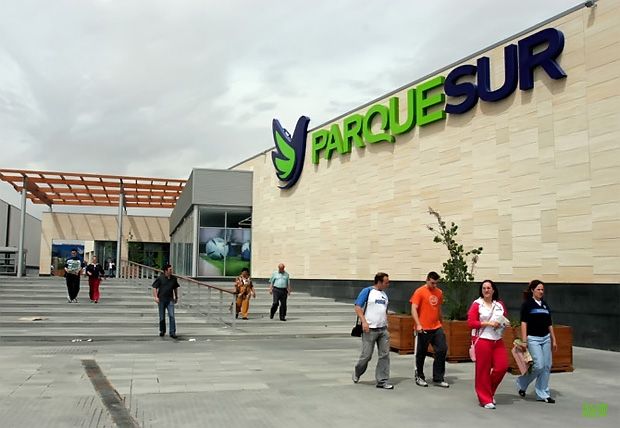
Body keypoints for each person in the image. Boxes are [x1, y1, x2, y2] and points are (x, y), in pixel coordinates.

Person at [467, 280, 510, 409]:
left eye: (488, 288)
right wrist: (488, 323)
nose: (486, 290)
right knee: (483, 371)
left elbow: (505, 319)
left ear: (493, 290)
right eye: (484, 288)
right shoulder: (477, 304)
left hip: (497, 339)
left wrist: (505, 325)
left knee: (502, 367)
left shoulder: (499, 305)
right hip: (482, 340)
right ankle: (485, 399)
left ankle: (488, 392)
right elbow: (471, 323)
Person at [516, 279, 558, 403]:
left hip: (545, 338)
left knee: (547, 366)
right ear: (532, 290)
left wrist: (554, 339)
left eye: (542, 290)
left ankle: (542, 393)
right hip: (533, 338)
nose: (541, 292)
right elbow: (524, 323)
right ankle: (522, 382)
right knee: (539, 365)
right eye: (538, 289)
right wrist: (524, 341)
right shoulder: (527, 305)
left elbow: (549, 323)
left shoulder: (545, 305)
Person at [352, 272, 393, 389]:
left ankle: (382, 381)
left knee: (384, 355)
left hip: (383, 329)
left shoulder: (384, 294)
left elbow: (384, 309)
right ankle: (358, 372)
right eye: (386, 282)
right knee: (366, 355)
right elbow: (357, 307)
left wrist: (386, 321)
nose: (388, 284)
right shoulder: (368, 291)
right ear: (379, 282)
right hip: (370, 329)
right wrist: (364, 322)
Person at [410, 271, 449, 388]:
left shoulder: (439, 292)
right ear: (427, 280)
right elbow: (414, 308)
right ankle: (419, 376)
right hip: (423, 328)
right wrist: (418, 324)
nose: (434, 285)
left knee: (442, 349)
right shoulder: (419, 292)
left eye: (436, 283)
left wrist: (441, 323)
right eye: (432, 283)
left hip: (436, 327)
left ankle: (438, 377)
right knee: (421, 353)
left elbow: (438, 309)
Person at [152, 264, 180, 338]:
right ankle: (162, 330)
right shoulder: (160, 278)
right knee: (162, 316)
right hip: (161, 299)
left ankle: (172, 332)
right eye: (170, 270)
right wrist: (156, 297)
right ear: (165, 271)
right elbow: (154, 287)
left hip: (170, 299)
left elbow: (175, 288)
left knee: (172, 315)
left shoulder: (173, 279)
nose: (171, 271)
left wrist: (176, 297)